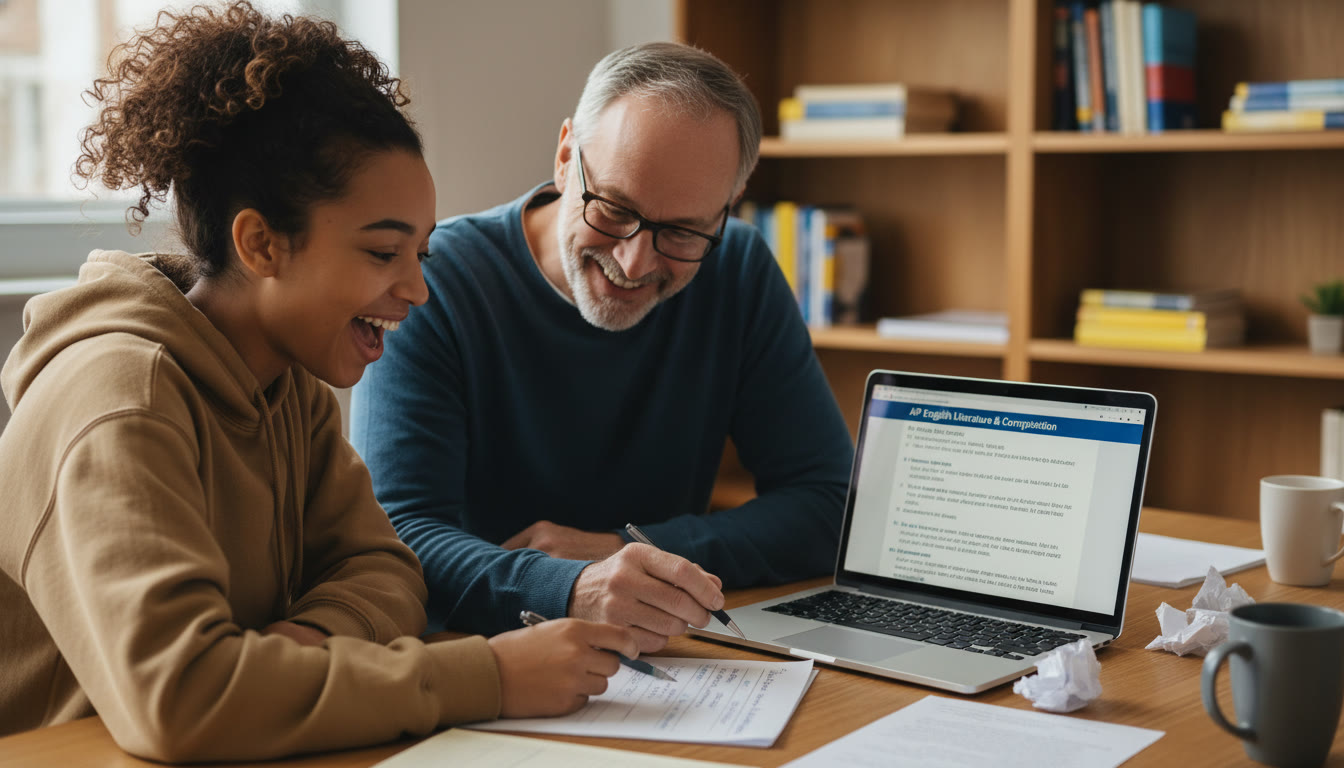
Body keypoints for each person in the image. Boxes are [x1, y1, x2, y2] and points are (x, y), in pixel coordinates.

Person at [0, 2, 637, 761]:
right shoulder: (122, 397)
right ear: (262, 243)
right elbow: (182, 699)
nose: (417, 291)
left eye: (421, 256)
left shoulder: (283, 381)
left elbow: (387, 573)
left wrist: (300, 644)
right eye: (381, 254)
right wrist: (489, 674)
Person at [351, 42, 854, 654]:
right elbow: (399, 538)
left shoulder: (738, 266)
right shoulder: (439, 281)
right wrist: (570, 587)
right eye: (614, 209)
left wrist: (628, 548)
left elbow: (829, 505)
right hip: (481, 660)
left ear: (724, 213)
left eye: (683, 231)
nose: (634, 261)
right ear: (566, 157)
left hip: (667, 653)